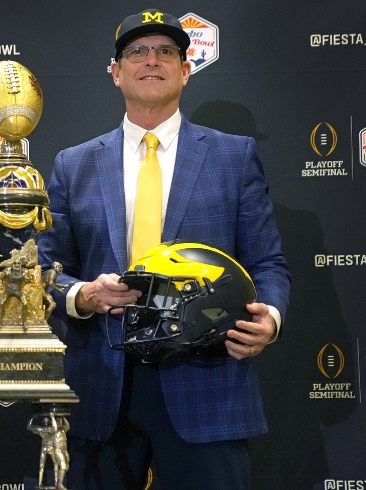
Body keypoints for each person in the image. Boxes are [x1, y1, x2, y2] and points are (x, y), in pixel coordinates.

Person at [36, 8, 291, 489]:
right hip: (103, 388)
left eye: (166, 51)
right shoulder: (74, 164)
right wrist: (83, 295)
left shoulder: (233, 156)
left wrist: (270, 318)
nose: (151, 60)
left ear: (185, 70)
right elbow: (46, 267)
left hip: (208, 378)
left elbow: (268, 262)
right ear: (116, 72)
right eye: (137, 51)